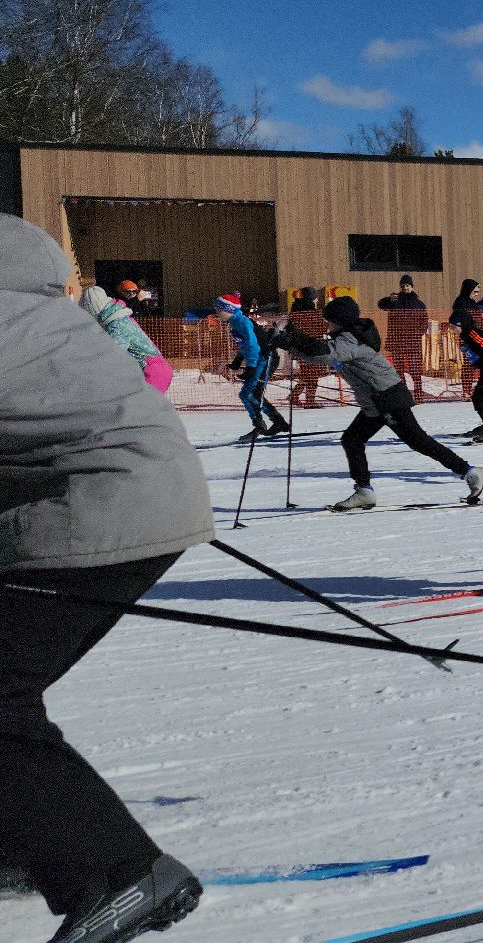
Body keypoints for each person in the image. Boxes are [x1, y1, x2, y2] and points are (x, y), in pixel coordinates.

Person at [1, 213, 213, 943]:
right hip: (133, 491)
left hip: (102, 503)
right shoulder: (32, 301)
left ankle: (120, 872)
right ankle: (31, 841)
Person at [270, 297, 483, 511]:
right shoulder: (347, 337)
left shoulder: (350, 339)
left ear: (340, 320)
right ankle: (364, 491)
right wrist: (289, 343)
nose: (327, 323)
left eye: (329, 319)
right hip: (376, 402)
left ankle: (469, 471)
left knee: (418, 441)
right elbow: (320, 355)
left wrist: (292, 339)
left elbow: (326, 352)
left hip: (387, 398)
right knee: (352, 439)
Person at [214, 292, 288, 439]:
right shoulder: (235, 323)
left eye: (218, 310)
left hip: (266, 358)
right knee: (246, 394)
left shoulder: (242, 322)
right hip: (259, 359)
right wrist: (236, 363)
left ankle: (265, 425)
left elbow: (253, 345)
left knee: (251, 394)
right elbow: (245, 346)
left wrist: (251, 367)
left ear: (229, 309)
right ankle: (272, 423)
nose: (217, 313)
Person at [78, 284, 172, 393]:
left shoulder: (117, 324)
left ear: (94, 310)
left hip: (152, 371)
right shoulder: (114, 321)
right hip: (147, 371)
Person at [449, 278, 483, 441]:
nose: (452, 330)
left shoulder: (473, 335)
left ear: (461, 324)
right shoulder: (466, 337)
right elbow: (478, 358)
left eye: (454, 327)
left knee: (481, 398)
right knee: (477, 398)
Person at [376, 274, 428, 400]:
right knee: (398, 370)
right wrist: (388, 298)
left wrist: (417, 334)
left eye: (408, 285)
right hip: (397, 341)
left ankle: (418, 394)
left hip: (412, 342)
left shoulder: (419, 304)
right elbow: (381, 305)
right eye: (403, 285)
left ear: (412, 287)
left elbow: (424, 322)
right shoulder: (394, 301)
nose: (405, 288)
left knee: (415, 370)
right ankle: (402, 394)